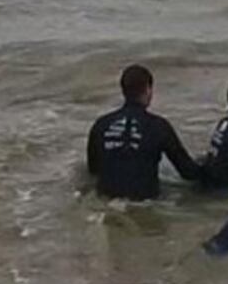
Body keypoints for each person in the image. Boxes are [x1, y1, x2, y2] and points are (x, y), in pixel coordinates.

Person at [87, 64, 204, 200]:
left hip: (105, 202)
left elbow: (93, 170)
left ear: (123, 90)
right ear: (148, 90)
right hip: (145, 202)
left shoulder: (101, 125)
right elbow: (188, 172)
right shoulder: (159, 126)